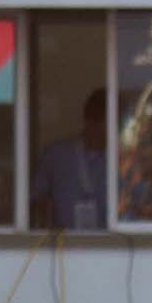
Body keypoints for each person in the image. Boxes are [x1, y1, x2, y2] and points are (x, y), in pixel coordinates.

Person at [32, 89, 108, 230]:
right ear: (90, 122)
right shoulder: (55, 155)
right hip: (62, 246)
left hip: (110, 246)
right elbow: (37, 199)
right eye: (107, 123)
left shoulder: (121, 161)